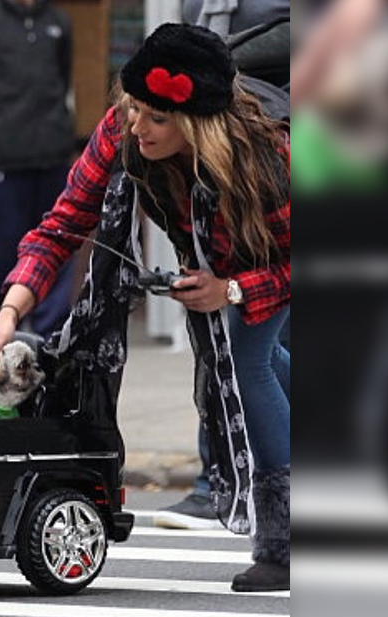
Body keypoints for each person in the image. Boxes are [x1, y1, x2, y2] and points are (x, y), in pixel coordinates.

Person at [0, 24, 290, 591]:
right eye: (135, 110)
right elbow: (62, 226)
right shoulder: (123, 131)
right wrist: (10, 311)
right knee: (262, 363)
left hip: (278, 252)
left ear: (197, 126)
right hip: (221, 257)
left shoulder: (268, 157)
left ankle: (284, 542)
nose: (138, 127)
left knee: (248, 360)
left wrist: (230, 291)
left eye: (157, 119)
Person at [155, 0, 291, 531]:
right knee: (237, 349)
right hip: (224, 166)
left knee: (249, 352)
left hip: (282, 155)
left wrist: (234, 288)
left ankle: (269, 512)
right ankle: (219, 481)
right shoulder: (199, 4)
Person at [0, 0, 78, 339]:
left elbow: (63, 78)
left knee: (58, 240)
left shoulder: (58, 22)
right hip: (3, 157)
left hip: (52, 153)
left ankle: (51, 334)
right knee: (3, 249)